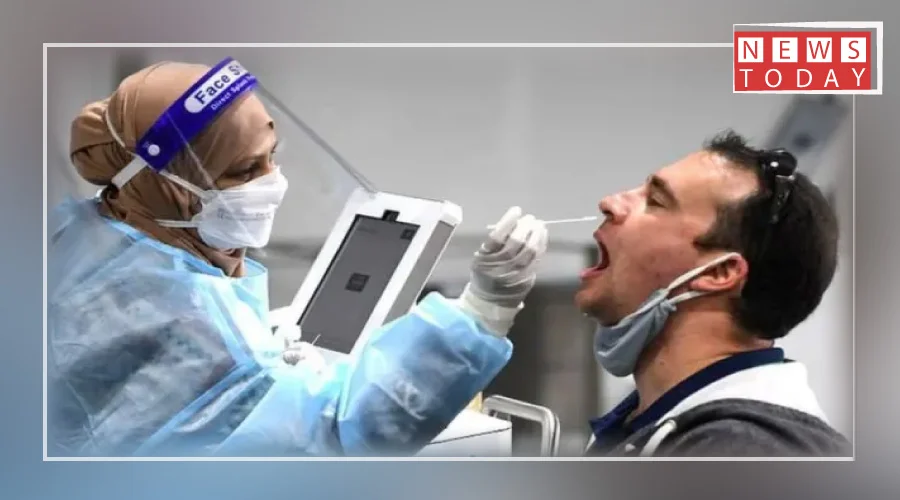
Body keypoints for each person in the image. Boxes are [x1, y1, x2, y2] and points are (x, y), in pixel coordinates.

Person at [46, 60, 548, 457]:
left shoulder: (92, 235)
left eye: (272, 155)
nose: (272, 180)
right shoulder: (188, 324)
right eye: (245, 169)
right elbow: (341, 436)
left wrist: (257, 347)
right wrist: (482, 310)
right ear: (168, 185)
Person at [578, 130, 850, 457]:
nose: (609, 203)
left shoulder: (748, 452)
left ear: (718, 273)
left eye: (656, 201)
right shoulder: (652, 423)